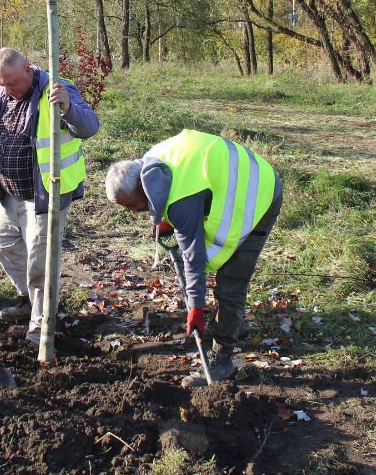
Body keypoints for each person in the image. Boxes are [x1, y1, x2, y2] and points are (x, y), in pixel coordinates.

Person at [104, 129, 283, 383]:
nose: (133, 212)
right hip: (240, 174)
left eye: (131, 204)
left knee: (232, 279)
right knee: (226, 276)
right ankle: (233, 323)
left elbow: (194, 258)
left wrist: (196, 309)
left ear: (142, 187)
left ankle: (222, 359)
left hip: (258, 193)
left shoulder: (180, 202)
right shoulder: (152, 163)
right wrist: (169, 220)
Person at [0, 47, 100, 345]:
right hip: (10, 193)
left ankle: (41, 326)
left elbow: (90, 127)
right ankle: (29, 302)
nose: (7, 89)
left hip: (44, 193)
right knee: (3, 244)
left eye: (11, 82)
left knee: (41, 263)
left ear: (28, 69)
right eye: (1, 83)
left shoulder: (57, 89)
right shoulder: (0, 94)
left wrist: (67, 109)